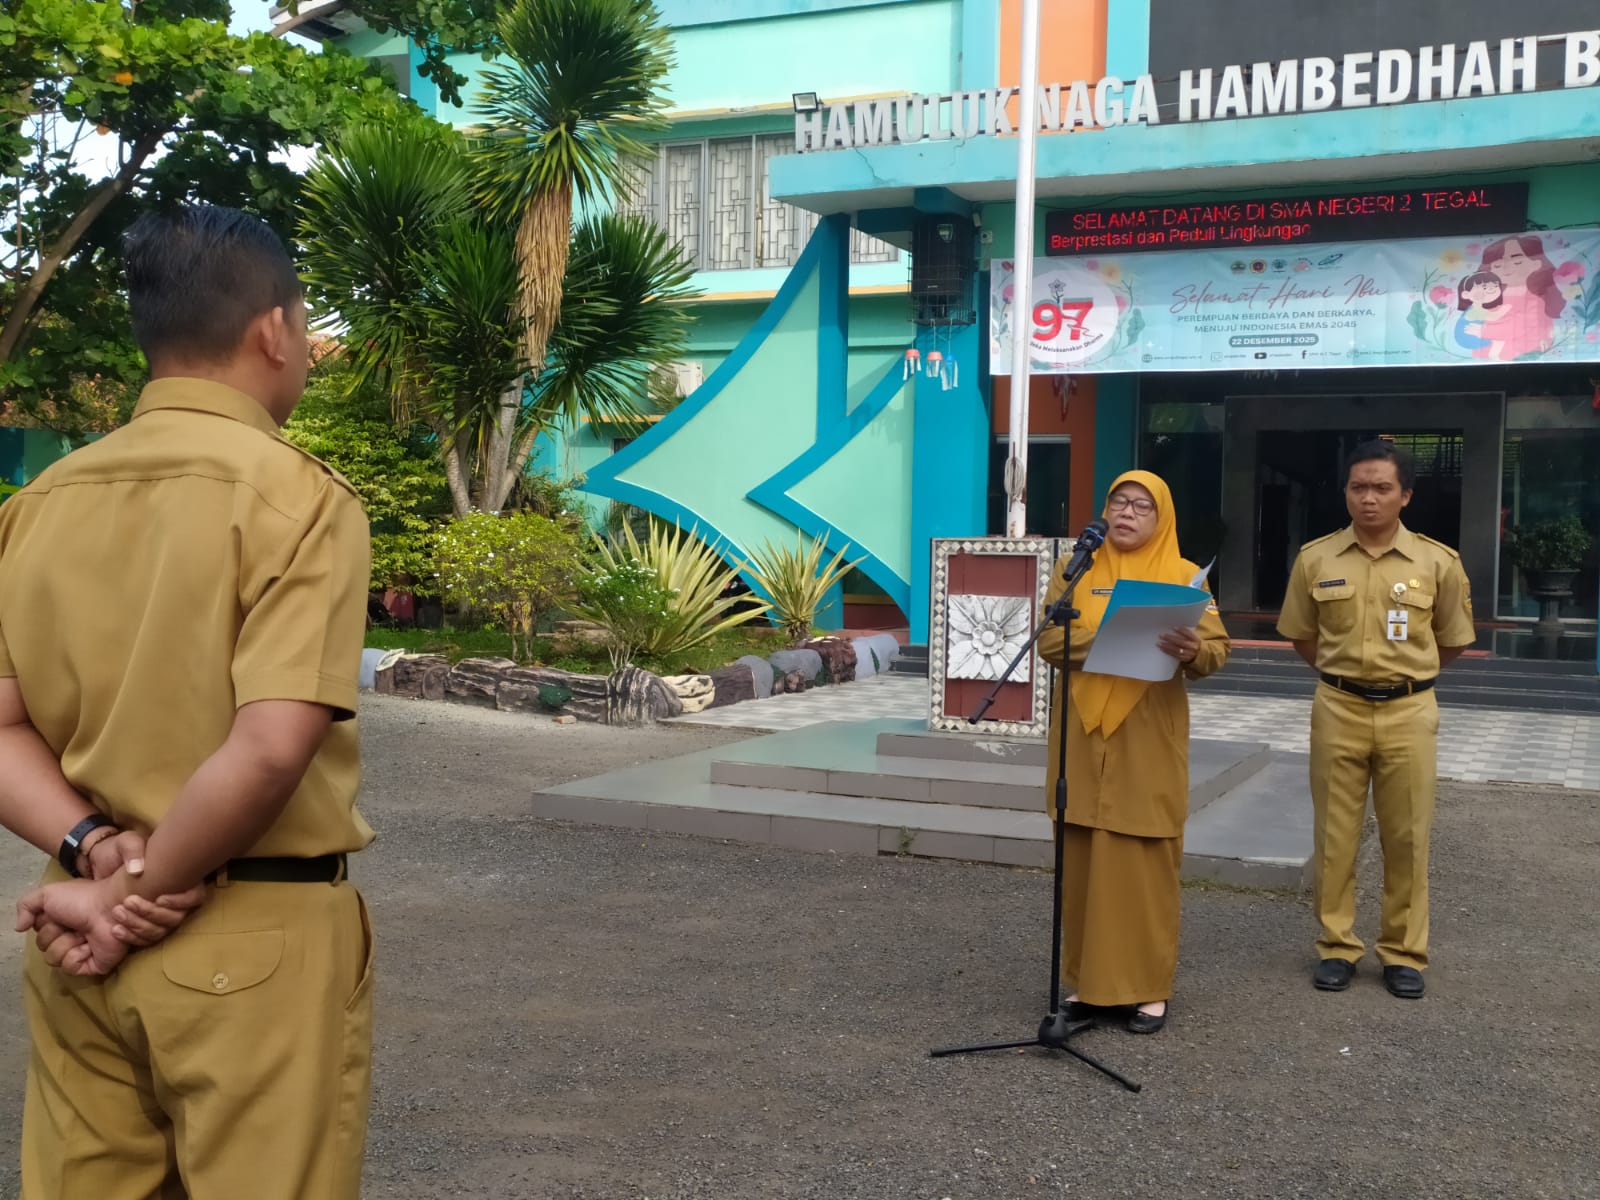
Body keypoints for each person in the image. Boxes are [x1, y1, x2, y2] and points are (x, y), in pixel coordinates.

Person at [0, 205, 375, 1197]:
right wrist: (136, 894)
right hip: (248, 934)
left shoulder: (37, 504)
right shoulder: (300, 503)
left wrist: (93, 854)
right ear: (273, 333)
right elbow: (266, 751)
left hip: (80, 937)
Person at [1276, 441, 1474, 1000]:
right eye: (1358, 487)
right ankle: (1337, 946)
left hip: (1410, 711)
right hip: (1337, 706)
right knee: (1334, 836)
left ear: (1405, 496)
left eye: (1382, 488)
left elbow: (1452, 642)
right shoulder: (1316, 558)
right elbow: (1302, 635)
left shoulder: (1438, 563)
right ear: (1345, 493)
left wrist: (1402, 675)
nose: (1369, 498)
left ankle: (1402, 952)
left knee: (1408, 836)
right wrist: (1350, 677)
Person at [1037, 470, 1231, 1034]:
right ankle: (1090, 988)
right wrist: (1111, 638)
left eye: (1142, 506)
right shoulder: (1076, 570)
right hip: (1082, 738)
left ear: (1161, 517)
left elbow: (1216, 652)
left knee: (1143, 865)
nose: (1126, 513)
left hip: (1147, 736)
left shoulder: (1183, 577)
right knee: (1083, 865)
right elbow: (1049, 639)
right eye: (1118, 502)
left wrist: (1193, 648)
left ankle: (1147, 990)